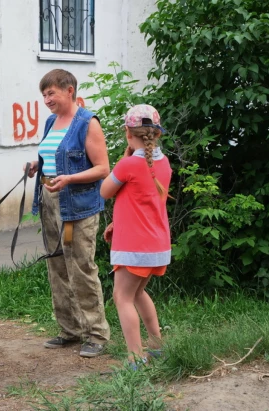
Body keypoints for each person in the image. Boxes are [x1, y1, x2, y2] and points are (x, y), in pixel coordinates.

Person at [24, 69, 111, 358]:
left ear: (70, 90)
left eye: (52, 93)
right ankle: (70, 330)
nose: (47, 99)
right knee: (57, 267)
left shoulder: (87, 122)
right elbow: (53, 155)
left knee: (81, 267)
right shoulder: (51, 121)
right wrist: (39, 166)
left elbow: (102, 169)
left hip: (77, 206)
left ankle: (96, 334)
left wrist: (69, 179)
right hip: (49, 202)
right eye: (44, 94)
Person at [100, 104, 172, 367]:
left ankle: (135, 356)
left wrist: (125, 157)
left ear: (128, 133)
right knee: (138, 293)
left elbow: (105, 191)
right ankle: (157, 346)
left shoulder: (129, 164)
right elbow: (143, 203)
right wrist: (117, 223)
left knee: (122, 297)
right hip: (157, 245)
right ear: (157, 134)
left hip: (134, 247)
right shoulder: (164, 164)